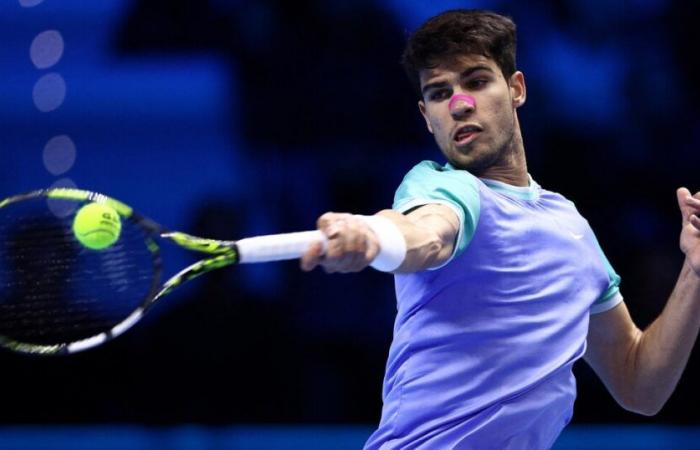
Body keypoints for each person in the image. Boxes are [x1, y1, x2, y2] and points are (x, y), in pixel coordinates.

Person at [300, 9, 700, 450]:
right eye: (439, 93)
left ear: (516, 89)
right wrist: (374, 237)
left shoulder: (572, 229)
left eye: (475, 81)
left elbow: (640, 384)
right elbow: (427, 233)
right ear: (426, 116)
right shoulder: (441, 186)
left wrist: (695, 272)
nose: (460, 104)